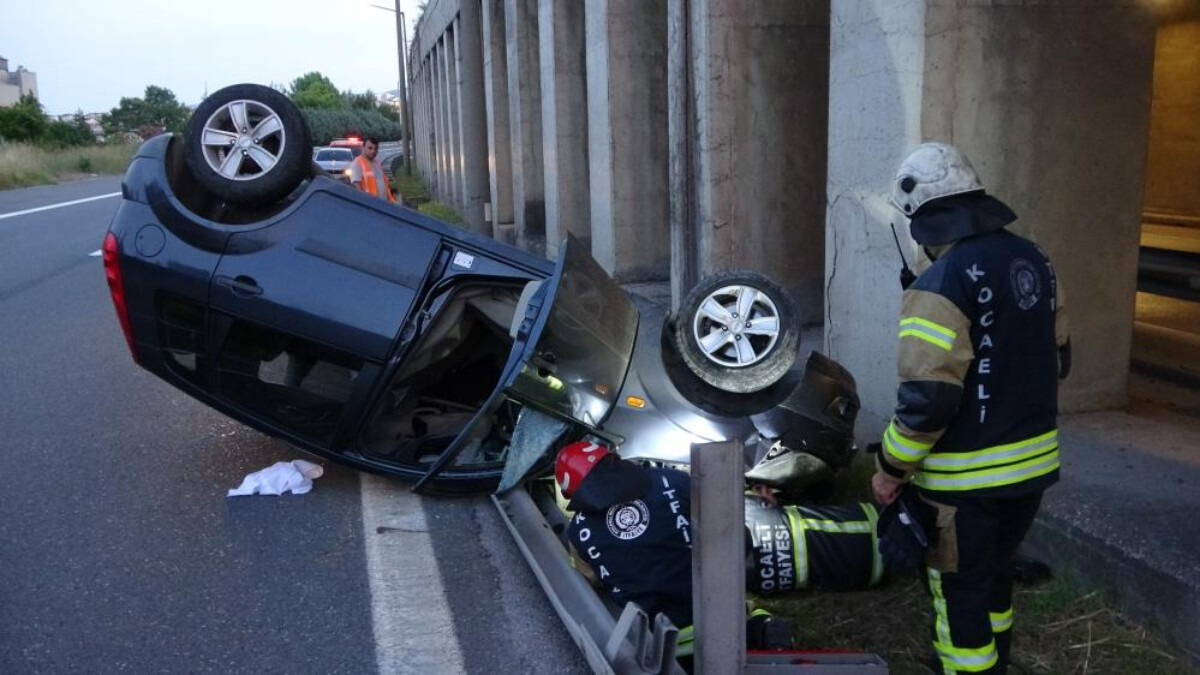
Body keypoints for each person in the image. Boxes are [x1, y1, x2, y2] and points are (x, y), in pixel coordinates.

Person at [870, 143, 1070, 674]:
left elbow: (928, 401)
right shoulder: (1036, 260)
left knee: (959, 593)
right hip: (1031, 473)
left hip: (962, 488)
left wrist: (889, 470)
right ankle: (998, 662)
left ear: (923, 220)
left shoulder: (939, 284)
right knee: (995, 572)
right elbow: (1059, 356)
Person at [555, 441, 792, 660]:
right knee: (750, 614)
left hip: (661, 640)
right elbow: (726, 525)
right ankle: (762, 629)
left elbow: (592, 581)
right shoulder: (672, 480)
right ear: (614, 460)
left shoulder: (578, 533)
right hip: (719, 605)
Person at [349, 136, 398, 203]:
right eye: (370, 148)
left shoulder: (377, 162)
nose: (373, 151)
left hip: (384, 204)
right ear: (363, 148)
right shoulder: (357, 163)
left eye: (375, 148)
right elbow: (356, 187)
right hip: (370, 205)